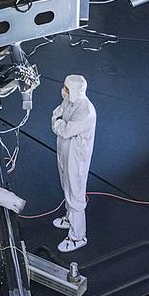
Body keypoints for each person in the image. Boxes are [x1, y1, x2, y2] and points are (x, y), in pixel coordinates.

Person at [51, 73, 96, 253]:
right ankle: (70, 218)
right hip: (65, 151)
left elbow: (65, 130)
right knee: (66, 185)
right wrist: (59, 123)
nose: (63, 90)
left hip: (76, 158)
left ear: (76, 90)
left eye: (67, 89)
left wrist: (58, 124)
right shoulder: (70, 101)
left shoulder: (86, 111)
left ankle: (78, 236)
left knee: (75, 192)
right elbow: (57, 115)